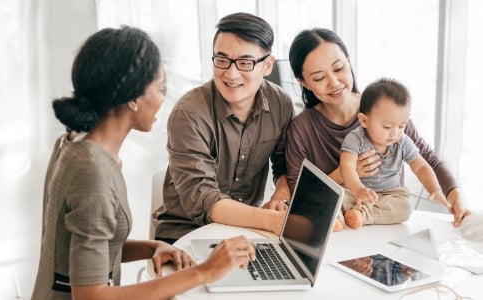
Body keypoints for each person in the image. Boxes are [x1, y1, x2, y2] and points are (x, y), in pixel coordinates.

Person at [31, 26, 255, 300]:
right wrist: (204, 272)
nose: (163, 100)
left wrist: (152, 247)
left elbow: (89, 248)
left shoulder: (75, 143)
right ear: (134, 98)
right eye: (160, 89)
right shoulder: (92, 174)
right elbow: (90, 296)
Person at [285, 28, 471, 230]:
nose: (334, 82)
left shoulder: (385, 110)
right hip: (337, 233)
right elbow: (299, 194)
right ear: (302, 81)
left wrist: (456, 197)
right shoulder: (301, 129)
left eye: (339, 68)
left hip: (386, 227)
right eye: (319, 78)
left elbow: (427, 159)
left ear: (349, 60)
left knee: (403, 206)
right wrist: (344, 174)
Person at [152, 12, 294, 243]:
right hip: (185, 235)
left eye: (245, 63)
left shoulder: (280, 104)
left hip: (246, 230)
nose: (231, 73)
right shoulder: (189, 114)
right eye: (222, 59)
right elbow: (203, 198)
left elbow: (283, 163)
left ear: (267, 65)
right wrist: (270, 220)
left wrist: (282, 191)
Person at [340, 78, 450, 229]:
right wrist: (358, 189)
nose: (395, 133)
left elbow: (421, 167)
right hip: (356, 191)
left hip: (389, 195)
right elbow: (347, 167)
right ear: (364, 121)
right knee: (338, 197)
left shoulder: (403, 142)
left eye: (401, 126)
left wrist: (435, 189)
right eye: (387, 126)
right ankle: (337, 219)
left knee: (404, 208)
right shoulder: (355, 139)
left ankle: (364, 215)